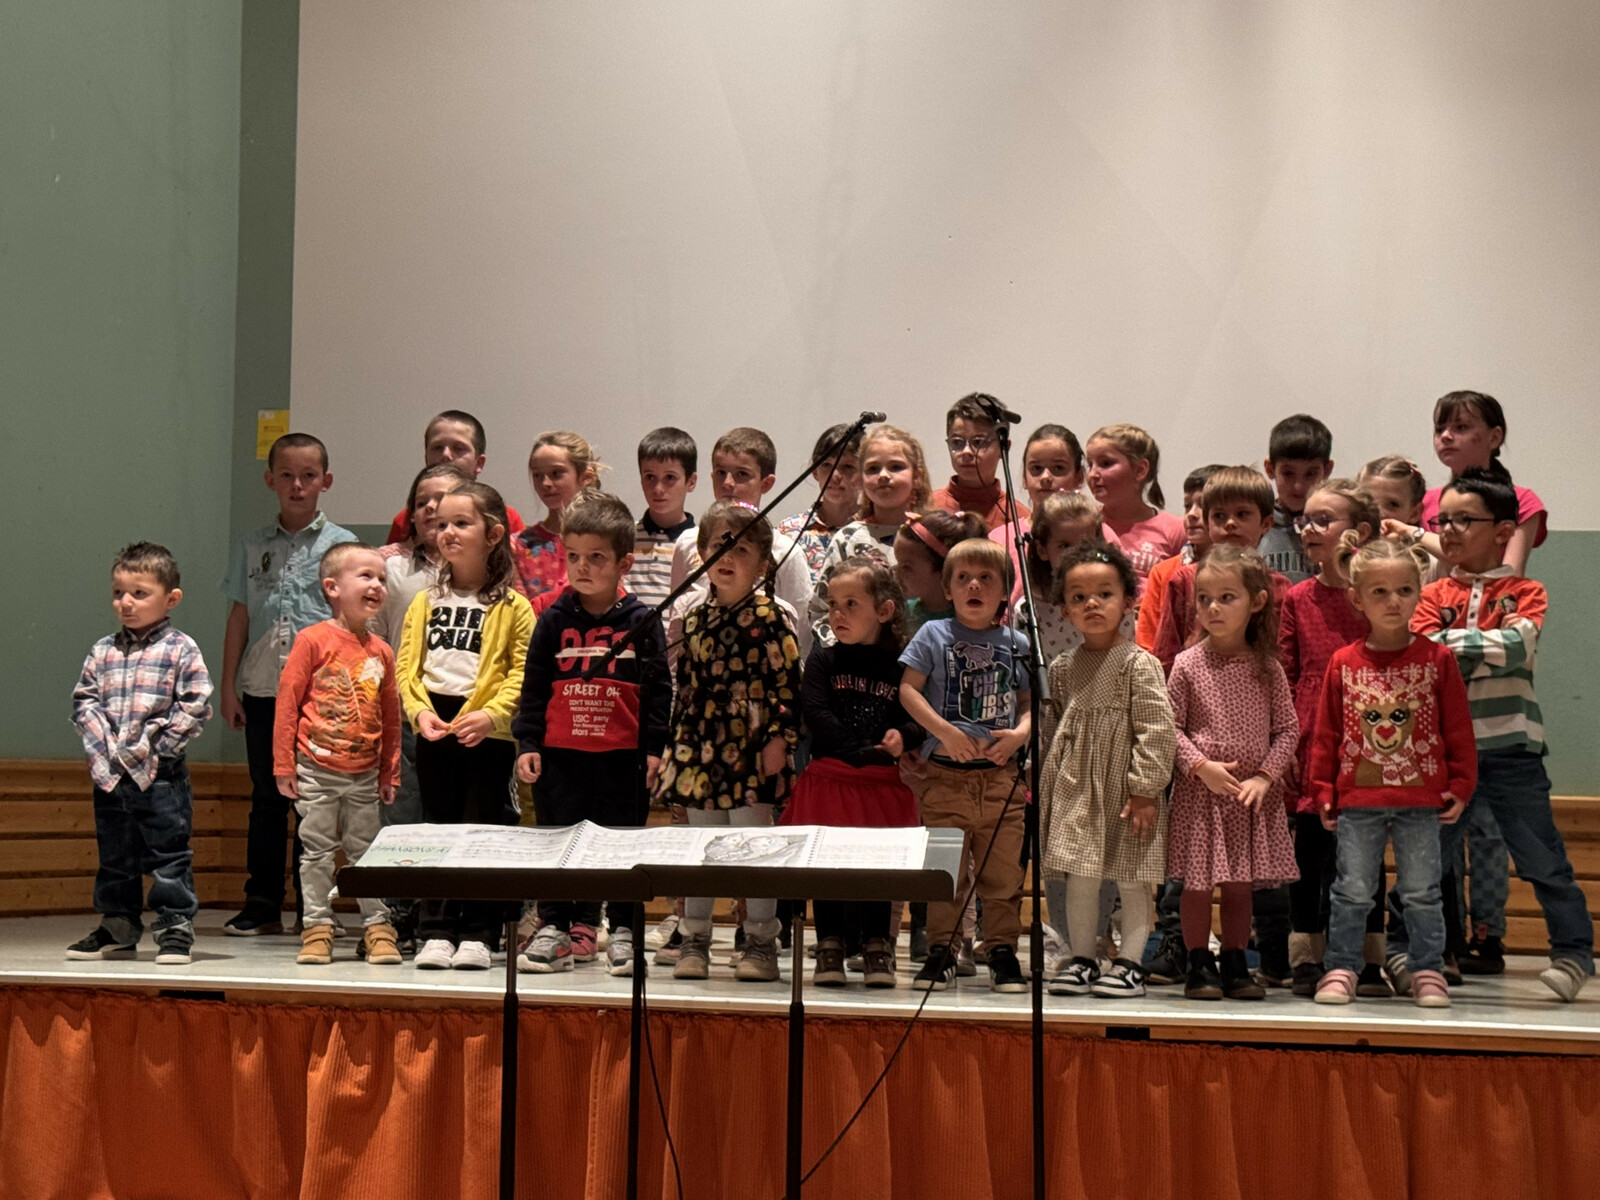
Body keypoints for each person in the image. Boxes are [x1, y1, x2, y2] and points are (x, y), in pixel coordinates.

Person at [1404, 469, 1594, 1002]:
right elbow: (1425, 654)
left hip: (1511, 749)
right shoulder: (1431, 592)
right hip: (1445, 754)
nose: (1449, 530)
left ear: (1504, 530)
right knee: (1425, 860)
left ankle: (1573, 954)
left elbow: (1518, 649)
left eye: (1464, 520)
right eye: (1442, 521)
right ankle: (1409, 951)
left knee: (1542, 858)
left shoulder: (1526, 591)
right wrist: (1480, 645)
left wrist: (1455, 645)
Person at [1309, 535, 1477, 1007]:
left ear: (1419, 593)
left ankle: (1427, 969)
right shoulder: (1343, 663)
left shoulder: (1438, 660)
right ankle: (1342, 967)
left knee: (1422, 891)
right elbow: (1327, 733)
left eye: (1404, 590)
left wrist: (1461, 784)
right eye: (1379, 592)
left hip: (1422, 803)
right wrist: (1323, 789)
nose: (1393, 601)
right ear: (1357, 599)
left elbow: (1458, 729)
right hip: (1357, 802)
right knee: (1352, 890)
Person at [512, 492, 671, 976]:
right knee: (557, 843)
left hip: (621, 759)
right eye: (574, 556)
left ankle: (622, 929)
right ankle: (555, 927)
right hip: (561, 757)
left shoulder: (642, 621)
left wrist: (654, 749)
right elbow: (534, 686)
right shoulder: (553, 620)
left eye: (597, 557)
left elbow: (658, 689)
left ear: (624, 563)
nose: (582, 567)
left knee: (621, 846)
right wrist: (528, 743)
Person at [653, 502, 802, 982]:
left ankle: (759, 940)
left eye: (741, 549)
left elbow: (787, 687)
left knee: (753, 845)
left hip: (753, 749)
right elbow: (687, 688)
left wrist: (780, 739)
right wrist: (674, 750)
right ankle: (695, 937)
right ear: (702, 553)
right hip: (701, 747)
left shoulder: (773, 618)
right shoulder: (695, 618)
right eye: (720, 546)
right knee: (703, 846)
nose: (728, 557)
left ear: (762, 563)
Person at [220, 432, 357, 936]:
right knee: (266, 798)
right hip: (262, 690)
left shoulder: (342, 546)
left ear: (326, 481)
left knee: (314, 801)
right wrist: (228, 685)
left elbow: (352, 621)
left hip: (321, 695)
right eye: (287, 475)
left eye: (308, 476)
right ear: (270, 480)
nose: (297, 485)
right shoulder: (252, 544)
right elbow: (240, 616)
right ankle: (261, 902)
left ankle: (312, 906)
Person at [397, 483, 533, 970]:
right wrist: (419, 712)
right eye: (440, 524)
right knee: (438, 828)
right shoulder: (424, 601)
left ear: (493, 534)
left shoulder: (514, 607)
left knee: (483, 830)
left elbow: (522, 672)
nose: (447, 532)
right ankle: (436, 928)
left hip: (486, 733)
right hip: (436, 727)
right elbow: (407, 667)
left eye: (461, 523)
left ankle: (480, 930)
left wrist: (492, 714)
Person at [1039, 541, 1176, 998]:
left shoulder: (1140, 664)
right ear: (1064, 609)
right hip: (1078, 790)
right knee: (1081, 876)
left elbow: (1156, 730)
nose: (1091, 604)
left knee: (1132, 877)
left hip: (1127, 794)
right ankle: (1083, 957)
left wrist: (1145, 790)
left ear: (1128, 601)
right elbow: (1054, 730)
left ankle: (1130, 963)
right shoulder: (1062, 668)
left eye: (1104, 594)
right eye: (1079, 597)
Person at [1164, 546, 1299, 1000]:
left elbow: (1287, 729)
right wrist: (1200, 766)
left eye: (1226, 598)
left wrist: (1264, 777)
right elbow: (1169, 728)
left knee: (1240, 885)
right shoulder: (1187, 664)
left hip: (1247, 797)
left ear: (1256, 602)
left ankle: (1236, 960)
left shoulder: (1268, 667)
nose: (1213, 609)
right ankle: (1198, 962)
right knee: (1197, 886)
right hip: (1201, 796)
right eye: (1204, 599)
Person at [68, 543, 213, 965]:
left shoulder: (181, 648)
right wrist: (104, 747)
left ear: (171, 599)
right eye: (118, 593)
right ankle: (118, 927)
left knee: (168, 855)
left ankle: (174, 928)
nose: (126, 602)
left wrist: (160, 747)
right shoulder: (103, 650)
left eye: (139, 593)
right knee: (116, 855)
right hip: (111, 773)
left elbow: (196, 703)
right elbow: (84, 701)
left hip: (160, 774)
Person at [900, 538, 1033, 994]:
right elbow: (908, 690)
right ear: (948, 589)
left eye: (986, 578)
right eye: (963, 578)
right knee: (946, 874)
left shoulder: (1016, 643)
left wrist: (1020, 734)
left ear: (1005, 592)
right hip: (945, 779)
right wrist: (945, 732)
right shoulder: (933, 635)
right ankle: (942, 949)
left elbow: (1027, 703)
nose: (974, 585)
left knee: (1003, 875)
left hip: (1000, 781)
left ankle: (1001, 950)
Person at [784, 557, 921, 988]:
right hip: (831, 777)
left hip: (879, 783)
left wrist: (903, 737)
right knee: (827, 867)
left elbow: (916, 717)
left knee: (877, 867)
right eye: (832, 604)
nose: (837, 614)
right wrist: (860, 749)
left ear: (884, 611)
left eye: (850, 604)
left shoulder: (901, 666)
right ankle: (830, 943)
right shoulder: (824, 661)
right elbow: (817, 714)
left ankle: (878, 943)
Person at [272, 543, 403, 967]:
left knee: (366, 851)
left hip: (364, 772)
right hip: (316, 768)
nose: (376, 585)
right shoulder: (312, 640)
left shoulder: (381, 651)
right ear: (332, 587)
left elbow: (391, 715)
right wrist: (284, 764)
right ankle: (316, 926)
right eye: (365, 576)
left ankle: (377, 926)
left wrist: (389, 770)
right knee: (316, 851)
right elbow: (287, 704)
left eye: (381, 578)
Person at [1279, 480, 1384, 996]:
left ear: (1359, 531)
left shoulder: (1375, 595)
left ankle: (1368, 958)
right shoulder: (1298, 598)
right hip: (1313, 737)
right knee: (1311, 855)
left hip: (1371, 735)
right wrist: (1288, 744)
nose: (1308, 528)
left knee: (1365, 856)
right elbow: (1286, 674)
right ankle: (1307, 956)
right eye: (1306, 519)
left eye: (1324, 519)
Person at [890, 507, 987, 965]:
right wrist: (909, 744)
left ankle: (949, 934)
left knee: (954, 848)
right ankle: (895, 933)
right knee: (905, 843)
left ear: (943, 572)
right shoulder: (901, 619)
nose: (898, 574)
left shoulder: (974, 626)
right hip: (909, 753)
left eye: (908, 566)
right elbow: (897, 688)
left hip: (957, 755)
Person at [668, 427, 815, 660]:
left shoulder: (786, 551)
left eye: (742, 474)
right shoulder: (688, 542)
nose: (728, 483)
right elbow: (678, 622)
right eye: (721, 473)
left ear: (766, 483)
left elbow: (801, 638)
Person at [807, 424, 933, 644]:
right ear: (860, 478)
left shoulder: (932, 537)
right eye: (873, 469)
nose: (883, 475)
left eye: (896, 467)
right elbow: (821, 611)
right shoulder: (848, 539)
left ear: (917, 476)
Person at [1008, 490, 1119, 664]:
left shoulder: (1115, 602)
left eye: (1086, 543)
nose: (1077, 554)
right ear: (1042, 550)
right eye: (1065, 546)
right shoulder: (1028, 611)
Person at [382, 410, 526, 543]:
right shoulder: (407, 520)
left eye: (459, 448)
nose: (445, 455)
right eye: (437, 447)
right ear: (426, 458)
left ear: (479, 463)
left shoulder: (504, 517)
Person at [989, 423, 1094, 590]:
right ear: (1024, 478)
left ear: (1079, 477)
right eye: (1036, 468)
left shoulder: (1095, 531)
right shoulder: (999, 539)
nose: (1045, 477)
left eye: (1058, 468)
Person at [1134, 464, 1223, 656]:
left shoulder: (1240, 570)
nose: (1192, 514)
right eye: (1187, 506)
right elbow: (1147, 640)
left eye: (1203, 505)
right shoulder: (1163, 572)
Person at [1085, 424, 1185, 588]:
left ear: (1140, 470)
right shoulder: (1084, 524)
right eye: (1090, 465)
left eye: (1106, 463)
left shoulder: (1176, 530)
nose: (1093, 474)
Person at [514, 430, 602, 610]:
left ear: (586, 477)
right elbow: (520, 611)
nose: (545, 483)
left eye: (556, 473)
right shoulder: (518, 545)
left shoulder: (606, 540)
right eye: (537, 475)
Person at [778, 423, 864, 583]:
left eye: (847, 467)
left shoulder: (873, 530)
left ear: (864, 473)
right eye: (826, 465)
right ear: (814, 471)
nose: (835, 475)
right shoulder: (789, 530)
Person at [927, 393, 1027, 531]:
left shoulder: (1018, 518)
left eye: (978, 442)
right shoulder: (928, 507)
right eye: (957, 442)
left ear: (1003, 447)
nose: (966, 451)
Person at [626, 427, 698, 609]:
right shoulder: (623, 536)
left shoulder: (700, 543)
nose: (658, 488)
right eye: (650, 476)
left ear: (691, 482)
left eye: (670, 477)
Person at [1257, 414, 1333, 583]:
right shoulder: (1256, 525)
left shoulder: (1337, 527)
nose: (1299, 486)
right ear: (1270, 469)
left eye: (1310, 474)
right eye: (1288, 473)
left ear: (1327, 470)